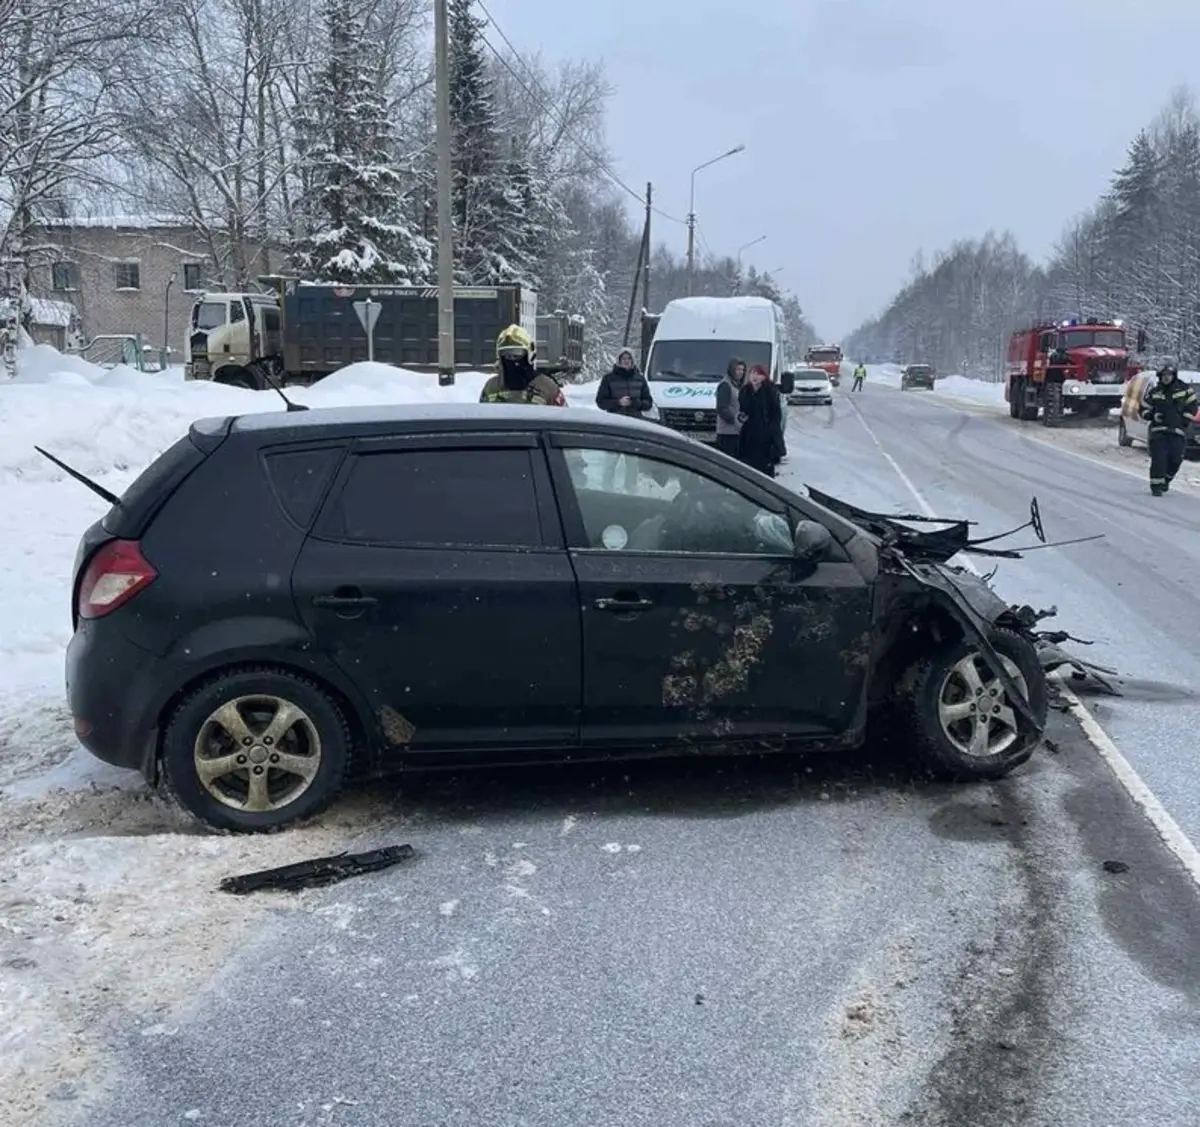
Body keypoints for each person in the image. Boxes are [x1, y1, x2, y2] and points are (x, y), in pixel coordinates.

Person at [1140, 360, 1199, 495]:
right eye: (1164, 375)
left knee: (1176, 459)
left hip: (1177, 431)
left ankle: (1166, 479)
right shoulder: (1154, 392)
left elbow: (1192, 406)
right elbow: (1143, 408)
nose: (1166, 377)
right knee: (1159, 458)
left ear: (1174, 375)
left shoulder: (1184, 390)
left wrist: (1185, 419)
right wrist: (1152, 416)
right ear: (1160, 376)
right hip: (1158, 431)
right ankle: (1156, 486)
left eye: (1169, 375)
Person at [479, 324, 566, 405]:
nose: (512, 359)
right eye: (506, 354)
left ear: (529, 354)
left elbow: (563, 418)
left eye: (517, 353)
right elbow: (481, 417)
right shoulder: (491, 387)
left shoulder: (547, 387)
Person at [737, 364, 785, 476]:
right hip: (749, 434)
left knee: (765, 466)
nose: (755, 377)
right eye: (752, 373)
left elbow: (776, 415)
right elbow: (742, 409)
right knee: (748, 465)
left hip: (766, 436)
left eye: (758, 374)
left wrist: (772, 433)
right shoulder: (745, 391)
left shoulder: (770, 391)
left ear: (764, 377)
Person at [595, 347, 653, 417]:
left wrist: (637, 403)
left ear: (633, 360)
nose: (627, 361)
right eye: (624, 358)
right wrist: (618, 402)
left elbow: (649, 403)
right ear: (619, 360)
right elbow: (600, 402)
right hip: (615, 420)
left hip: (636, 421)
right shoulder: (608, 379)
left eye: (629, 358)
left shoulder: (640, 379)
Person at [715, 358, 747, 456]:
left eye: (742, 370)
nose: (740, 372)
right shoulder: (725, 385)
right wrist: (734, 420)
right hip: (727, 433)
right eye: (738, 369)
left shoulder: (738, 385)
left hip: (737, 431)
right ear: (732, 370)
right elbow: (721, 408)